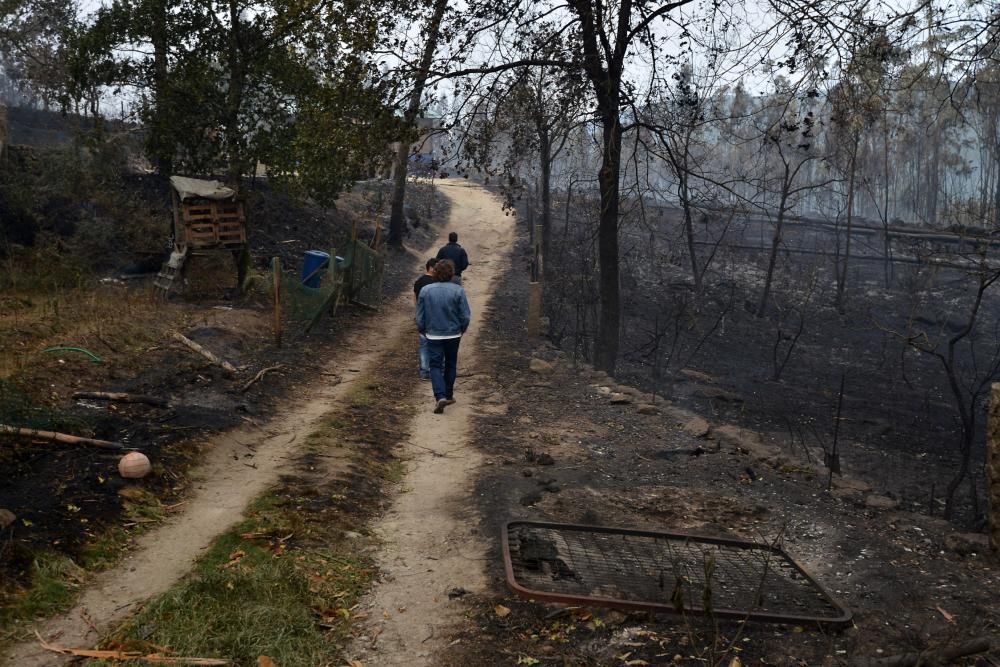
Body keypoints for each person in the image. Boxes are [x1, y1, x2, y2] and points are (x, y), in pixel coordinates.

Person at [415, 259, 471, 414]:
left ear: (435, 273)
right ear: (451, 273)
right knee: (451, 364)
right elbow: (465, 316)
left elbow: (419, 316)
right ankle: (448, 394)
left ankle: (440, 395)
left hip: (433, 333)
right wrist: (462, 328)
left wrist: (422, 328)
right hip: (453, 333)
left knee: (434, 365)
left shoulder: (426, 290)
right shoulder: (458, 290)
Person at [413, 258, 438, 379]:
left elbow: (415, 299)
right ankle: (436, 369)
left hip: (422, 315)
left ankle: (424, 371)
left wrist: (417, 314)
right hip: (433, 316)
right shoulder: (435, 283)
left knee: (424, 344)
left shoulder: (418, 281)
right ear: (432, 268)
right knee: (436, 344)